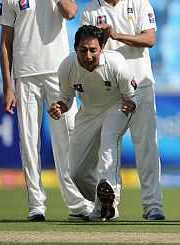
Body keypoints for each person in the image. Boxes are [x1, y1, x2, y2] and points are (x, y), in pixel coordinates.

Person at [0, 0, 93, 221]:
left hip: (59, 74)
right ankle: (36, 205)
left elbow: (71, 12)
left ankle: (76, 205)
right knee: (29, 143)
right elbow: (5, 43)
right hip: (25, 76)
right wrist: (8, 87)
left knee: (68, 139)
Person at [81, 0, 165, 221]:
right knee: (107, 147)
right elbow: (89, 54)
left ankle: (153, 207)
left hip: (140, 84)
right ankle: (109, 206)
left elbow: (149, 39)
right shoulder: (90, 12)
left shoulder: (139, 3)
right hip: (112, 93)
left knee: (146, 147)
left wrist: (116, 35)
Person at [48, 25, 138, 222]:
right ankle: (102, 205)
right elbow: (66, 98)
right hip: (88, 112)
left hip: (117, 106)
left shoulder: (117, 65)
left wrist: (131, 104)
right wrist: (59, 107)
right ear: (75, 48)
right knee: (76, 172)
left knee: (108, 143)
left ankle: (110, 201)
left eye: (93, 50)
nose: (88, 56)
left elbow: (131, 98)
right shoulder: (67, 66)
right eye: (83, 50)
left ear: (102, 48)